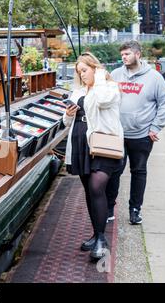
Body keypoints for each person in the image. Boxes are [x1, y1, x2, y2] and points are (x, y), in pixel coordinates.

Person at [64, 52, 123, 260]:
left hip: (103, 143)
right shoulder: (79, 90)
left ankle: (101, 239)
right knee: (90, 191)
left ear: (95, 68)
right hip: (81, 144)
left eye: (85, 70)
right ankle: (97, 235)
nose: (82, 75)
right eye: (79, 72)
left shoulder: (108, 87)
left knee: (98, 186)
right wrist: (68, 114)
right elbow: (66, 122)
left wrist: (98, 78)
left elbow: (104, 102)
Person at [106, 41, 165, 225]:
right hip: (117, 134)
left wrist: (156, 127)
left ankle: (135, 210)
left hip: (142, 135)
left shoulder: (154, 77)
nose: (124, 57)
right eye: (122, 55)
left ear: (138, 54)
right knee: (113, 172)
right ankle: (109, 208)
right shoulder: (116, 75)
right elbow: (105, 99)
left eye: (127, 54)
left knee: (139, 172)